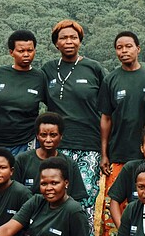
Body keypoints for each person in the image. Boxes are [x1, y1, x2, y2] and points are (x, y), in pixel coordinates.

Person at [40, 20, 106, 214]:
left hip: (89, 144)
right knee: (56, 194)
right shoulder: (48, 69)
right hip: (56, 145)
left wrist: (105, 150)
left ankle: (84, 233)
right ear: (56, 43)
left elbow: (107, 111)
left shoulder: (94, 68)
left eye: (73, 37)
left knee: (86, 195)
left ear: (80, 41)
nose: (69, 41)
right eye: (63, 38)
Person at [100, 31, 145, 232]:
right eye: (119, 47)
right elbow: (106, 118)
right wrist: (104, 153)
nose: (124, 51)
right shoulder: (111, 80)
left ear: (138, 49)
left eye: (128, 46)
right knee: (115, 199)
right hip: (118, 152)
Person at [0, 30, 46, 156]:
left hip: (27, 141)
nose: (26, 54)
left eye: (30, 50)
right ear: (11, 52)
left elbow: (51, 105)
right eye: (21, 51)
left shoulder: (40, 77)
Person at [13, 113, 90, 204]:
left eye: (53, 135)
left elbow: (77, 198)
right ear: (37, 136)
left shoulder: (70, 164)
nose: (48, 140)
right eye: (43, 135)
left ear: (61, 136)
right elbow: (13, 194)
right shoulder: (22, 160)